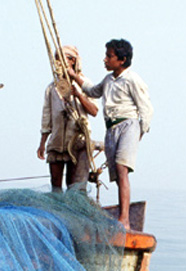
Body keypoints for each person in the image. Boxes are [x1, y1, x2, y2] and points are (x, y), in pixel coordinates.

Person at [71, 39, 153, 228]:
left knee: (122, 169)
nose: (105, 60)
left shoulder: (132, 79)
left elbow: (146, 108)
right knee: (117, 174)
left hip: (128, 125)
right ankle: (123, 214)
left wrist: (139, 132)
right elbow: (92, 90)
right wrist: (74, 77)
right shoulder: (108, 80)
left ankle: (124, 219)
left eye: (109, 56)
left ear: (122, 60)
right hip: (111, 129)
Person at [37, 46, 99, 192]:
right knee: (56, 184)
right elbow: (47, 117)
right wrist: (42, 143)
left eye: (62, 59)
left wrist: (78, 95)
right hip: (57, 142)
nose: (57, 62)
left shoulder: (83, 83)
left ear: (72, 61)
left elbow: (94, 110)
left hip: (78, 141)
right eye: (56, 59)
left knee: (74, 186)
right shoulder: (52, 88)